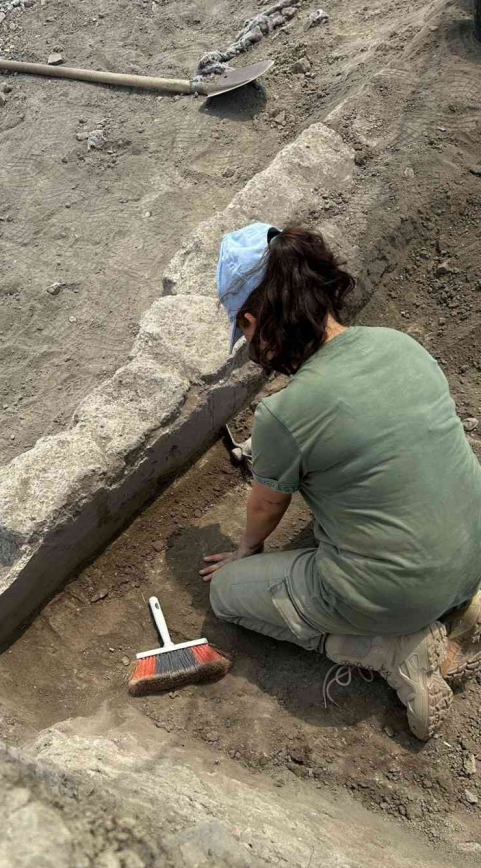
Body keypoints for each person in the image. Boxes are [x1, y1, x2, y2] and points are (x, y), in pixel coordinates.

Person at [200, 223, 481, 740]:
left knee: (227, 595)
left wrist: (244, 552)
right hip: (470, 553)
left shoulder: (286, 413)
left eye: (244, 336)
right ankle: (461, 602)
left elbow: (265, 509)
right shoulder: (399, 344)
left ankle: (396, 650)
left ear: (252, 320)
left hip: (402, 593)